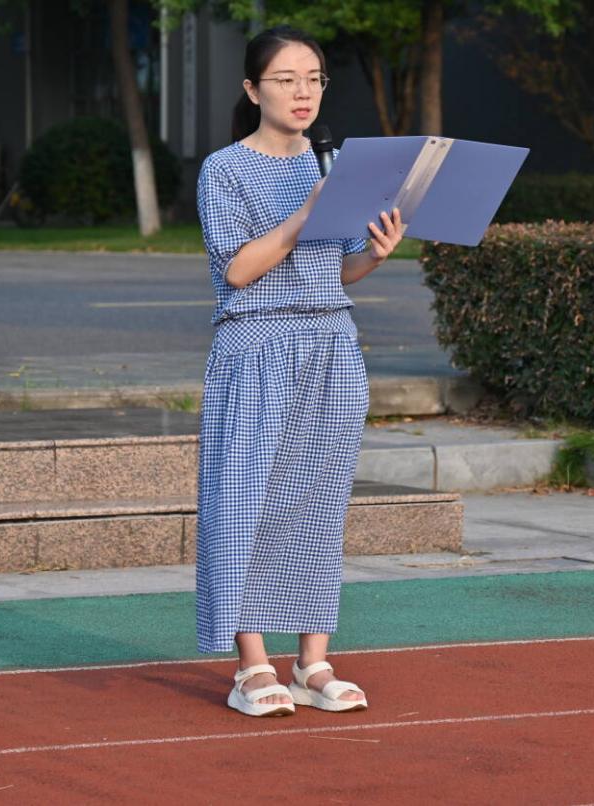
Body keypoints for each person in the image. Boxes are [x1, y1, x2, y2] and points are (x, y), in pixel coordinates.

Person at [195, 25, 404, 717]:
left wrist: (374, 255)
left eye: (313, 78)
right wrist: (306, 212)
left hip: (331, 344)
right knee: (243, 503)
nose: (302, 91)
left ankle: (312, 662)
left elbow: (334, 269)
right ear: (253, 90)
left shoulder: (331, 163)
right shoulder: (225, 169)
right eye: (285, 79)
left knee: (319, 503)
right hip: (255, 347)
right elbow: (238, 271)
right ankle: (251, 665)